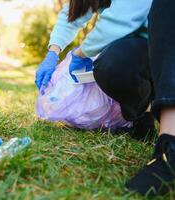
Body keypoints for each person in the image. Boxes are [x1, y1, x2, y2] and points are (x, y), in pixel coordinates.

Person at [35, 0, 175, 196]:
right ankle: (141, 116)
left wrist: (80, 52)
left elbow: (122, 18)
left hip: (169, 46)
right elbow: (74, 13)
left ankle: (169, 145)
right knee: (113, 63)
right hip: (144, 47)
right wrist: (53, 52)